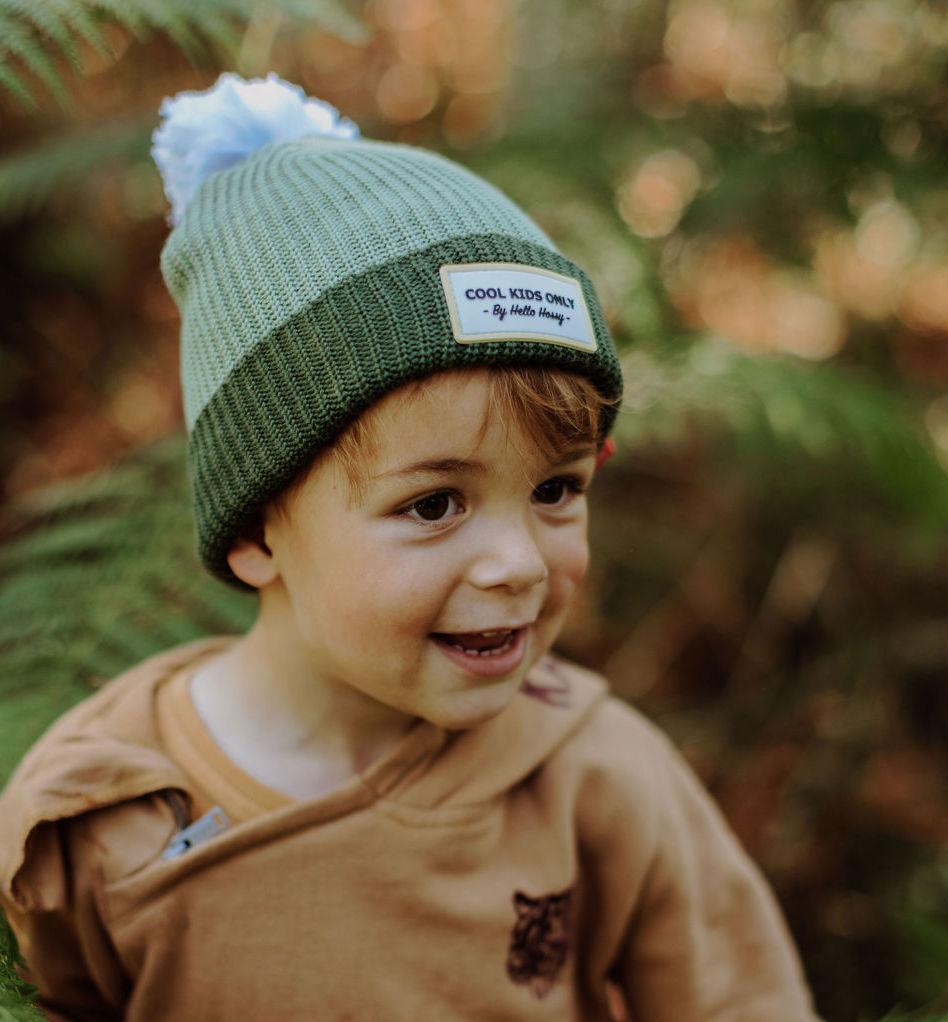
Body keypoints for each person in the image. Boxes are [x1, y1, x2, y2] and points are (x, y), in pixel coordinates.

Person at [0, 74, 820, 1021]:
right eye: (433, 504)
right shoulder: (98, 823)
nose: (516, 562)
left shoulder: (595, 777)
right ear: (261, 525)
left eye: (556, 489)